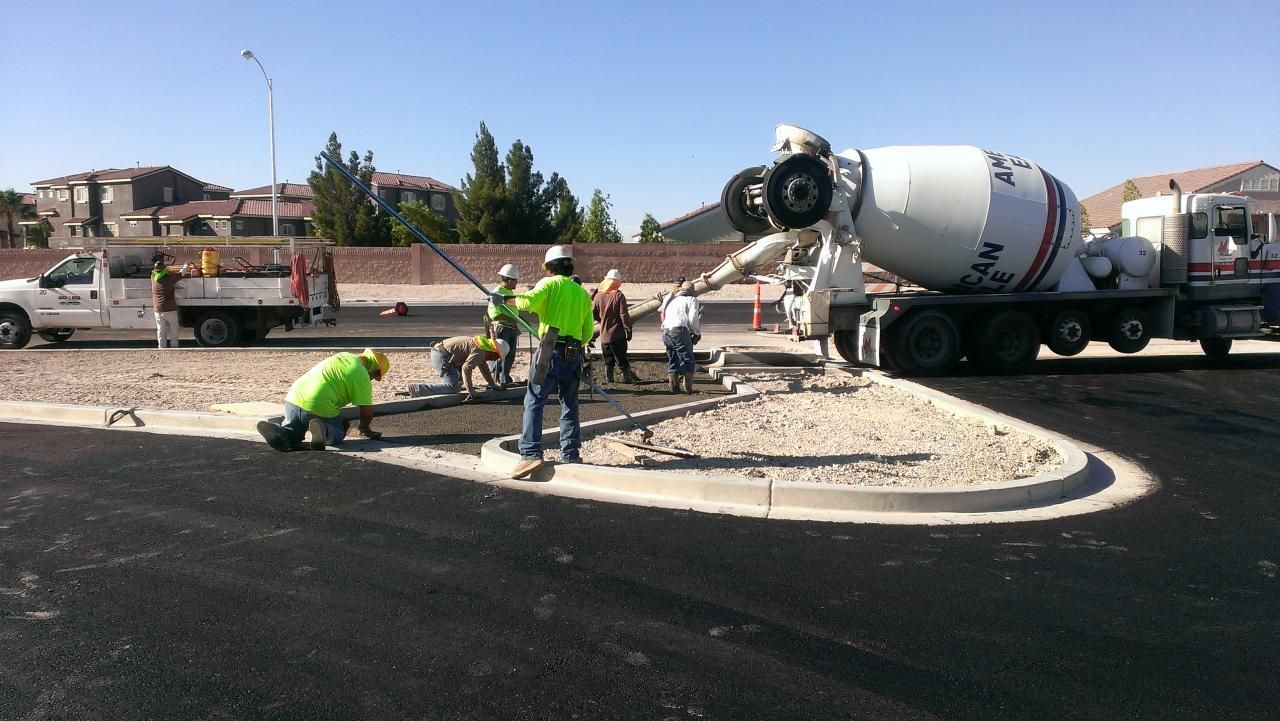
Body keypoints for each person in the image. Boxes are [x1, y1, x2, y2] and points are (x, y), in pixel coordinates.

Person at [496, 245, 595, 479]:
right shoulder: (581, 293)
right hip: (573, 352)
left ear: (549, 267)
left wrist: (504, 299)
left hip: (549, 350)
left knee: (535, 400)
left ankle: (530, 453)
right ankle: (570, 452)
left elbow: (527, 303)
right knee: (569, 403)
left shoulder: (548, 284)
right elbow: (588, 331)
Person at [256, 348, 389, 452]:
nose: (374, 379)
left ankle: (279, 431)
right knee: (340, 428)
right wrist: (363, 427)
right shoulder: (362, 376)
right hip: (319, 406)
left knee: (292, 432)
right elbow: (367, 412)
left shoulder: (344, 355)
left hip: (294, 397)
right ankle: (325, 431)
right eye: (377, 375)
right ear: (375, 370)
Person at [407, 335, 509, 400]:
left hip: (442, 352)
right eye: (496, 357)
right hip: (442, 356)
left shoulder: (483, 345)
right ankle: (417, 389)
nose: (494, 360)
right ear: (494, 351)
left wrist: (493, 385)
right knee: (452, 387)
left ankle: (419, 389)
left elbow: (483, 367)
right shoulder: (481, 351)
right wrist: (471, 391)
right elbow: (466, 368)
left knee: (458, 382)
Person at [592, 268, 640, 384]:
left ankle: (610, 380)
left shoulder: (598, 296)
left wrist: (602, 322)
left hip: (604, 336)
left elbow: (594, 314)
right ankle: (627, 379)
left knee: (608, 360)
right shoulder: (619, 296)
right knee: (621, 358)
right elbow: (624, 315)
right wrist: (628, 329)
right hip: (617, 335)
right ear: (617, 282)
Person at [661, 280, 702, 394]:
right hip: (679, 331)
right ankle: (688, 388)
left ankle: (674, 387)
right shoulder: (692, 300)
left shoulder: (673, 300)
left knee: (673, 359)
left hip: (666, 332)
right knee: (688, 360)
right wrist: (697, 333)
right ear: (692, 291)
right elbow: (693, 318)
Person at [485, 264, 521, 385]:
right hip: (502, 328)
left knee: (510, 355)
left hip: (510, 327)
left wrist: (515, 323)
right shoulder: (498, 292)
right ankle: (498, 377)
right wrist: (510, 320)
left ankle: (505, 377)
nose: (517, 283)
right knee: (502, 354)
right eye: (515, 280)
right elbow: (493, 313)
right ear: (509, 279)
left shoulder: (508, 291)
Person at [151, 260, 182, 349]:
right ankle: (174, 346)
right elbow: (181, 274)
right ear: (164, 269)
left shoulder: (153, 277)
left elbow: (155, 272)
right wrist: (185, 266)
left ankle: (161, 347)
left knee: (161, 330)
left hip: (158, 309)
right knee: (173, 329)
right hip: (170, 309)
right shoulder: (169, 278)